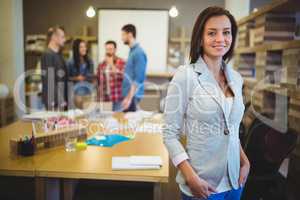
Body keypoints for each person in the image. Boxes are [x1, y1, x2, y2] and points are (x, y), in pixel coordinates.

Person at [163, 7, 250, 200]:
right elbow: (169, 134)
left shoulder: (236, 78)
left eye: (226, 32)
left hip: (235, 180)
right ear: (200, 38)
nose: (220, 39)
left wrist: (245, 161)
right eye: (212, 33)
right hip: (203, 185)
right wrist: (190, 177)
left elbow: (232, 128)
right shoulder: (185, 76)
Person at [120, 24, 147, 112]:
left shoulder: (138, 53)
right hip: (128, 95)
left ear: (130, 34)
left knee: (130, 124)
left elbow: (138, 79)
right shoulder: (132, 51)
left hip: (132, 97)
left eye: (123, 34)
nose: (121, 38)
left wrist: (128, 98)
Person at [41, 26, 68, 110]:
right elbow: (49, 79)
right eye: (62, 37)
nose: (65, 39)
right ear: (54, 37)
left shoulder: (59, 55)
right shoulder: (48, 54)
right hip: (54, 101)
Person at [97, 40, 125, 112]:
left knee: (118, 119)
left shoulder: (121, 62)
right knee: (105, 119)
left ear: (115, 50)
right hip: (105, 98)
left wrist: (111, 64)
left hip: (117, 98)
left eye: (110, 49)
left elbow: (122, 77)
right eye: (107, 49)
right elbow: (99, 83)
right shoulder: (101, 65)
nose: (108, 51)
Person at [67, 39, 94, 109]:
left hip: (88, 92)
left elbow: (91, 76)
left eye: (85, 47)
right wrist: (76, 78)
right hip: (76, 94)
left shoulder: (90, 61)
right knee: (77, 115)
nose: (84, 49)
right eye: (81, 47)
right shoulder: (70, 62)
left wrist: (91, 78)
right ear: (76, 49)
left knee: (87, 115)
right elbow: (66, 78)